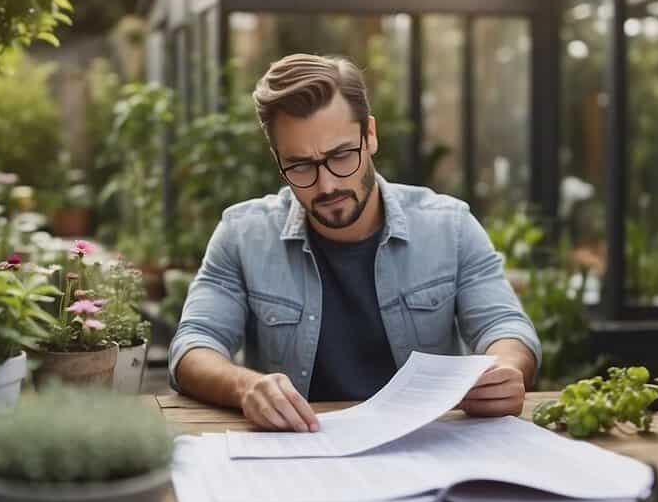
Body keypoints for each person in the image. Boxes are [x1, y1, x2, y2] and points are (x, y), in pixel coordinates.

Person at [170, 53, 541, 432]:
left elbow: (505, 325)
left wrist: (507, 370)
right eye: (300, 165)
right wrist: (246, 386)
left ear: (371, 136)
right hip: (300, 452)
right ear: (277, 160)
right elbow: (193, 346)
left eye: (341, 155)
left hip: (427, 446)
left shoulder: (450, 226)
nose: (327, 184)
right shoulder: (242, 234)